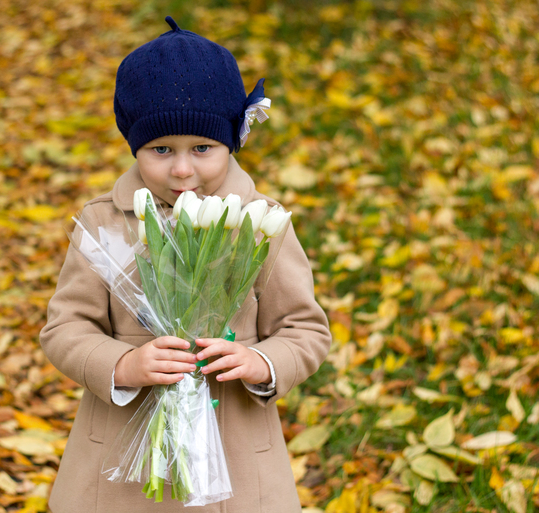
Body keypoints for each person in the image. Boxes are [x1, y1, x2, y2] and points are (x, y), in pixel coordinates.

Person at [40, 16, 331, 513]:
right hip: (118, 472)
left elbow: (306, 329)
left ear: (232, 142)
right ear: (134, 145)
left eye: (202, 148)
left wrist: (260, 361)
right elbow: (65, 327)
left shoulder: (261, 225)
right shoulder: (105, 223)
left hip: (237, 464)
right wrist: (122, 364)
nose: (181, 169)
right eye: (160, 150)